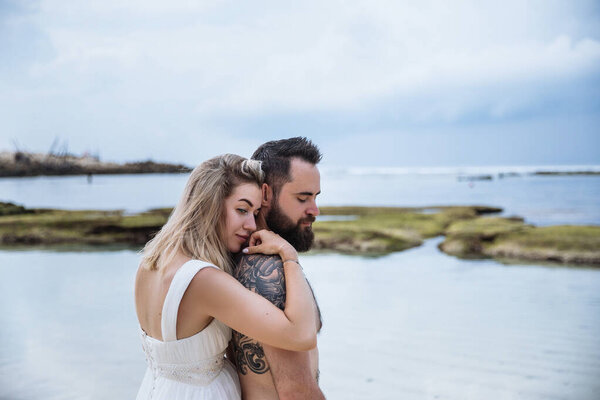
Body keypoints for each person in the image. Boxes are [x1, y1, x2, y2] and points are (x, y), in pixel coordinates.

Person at [134, 154, 319, 400]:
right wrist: (289, 256)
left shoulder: (150, 262)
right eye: (241, 210)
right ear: (209, 206)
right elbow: (300, 335)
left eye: (254, 213)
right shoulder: (204, 280)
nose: (251, 225)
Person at [231, 138, 325, 399]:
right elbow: (296, 390)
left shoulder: (281, 261)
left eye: (316, 197)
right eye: (303, 198)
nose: (315, 210)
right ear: (265, 194)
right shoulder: (267, 270)